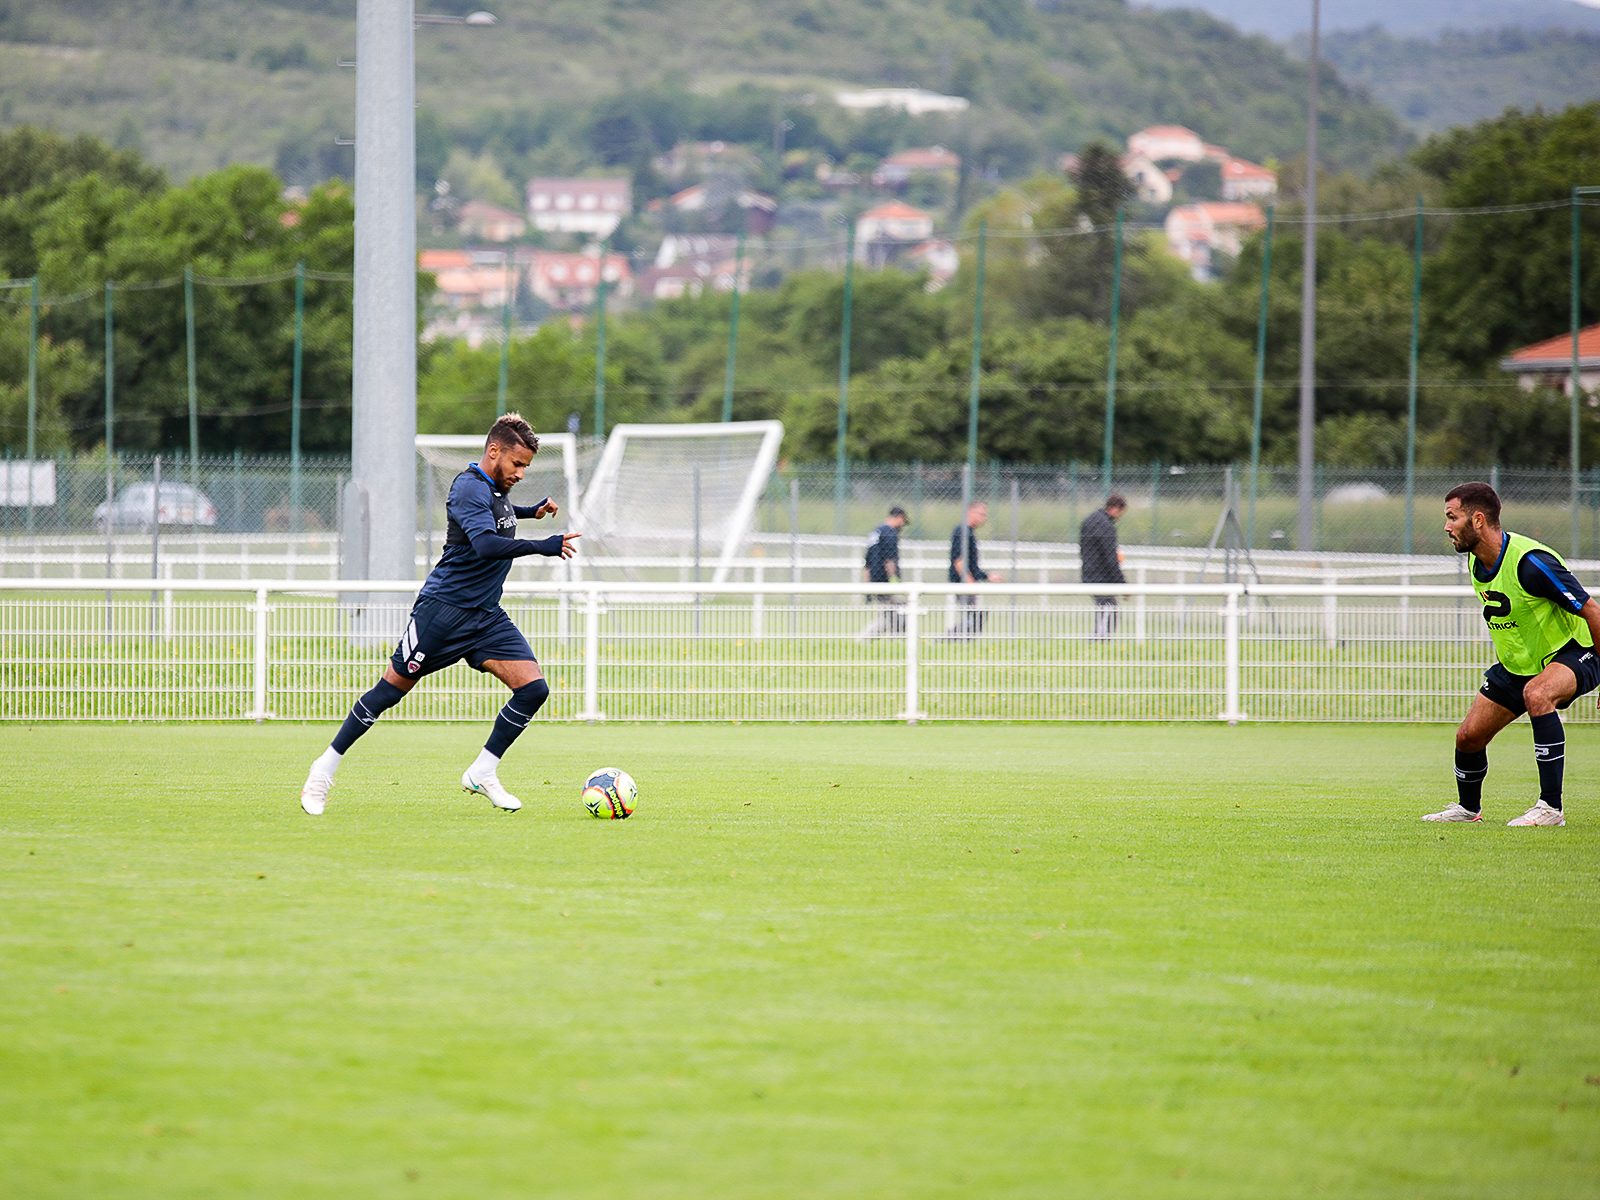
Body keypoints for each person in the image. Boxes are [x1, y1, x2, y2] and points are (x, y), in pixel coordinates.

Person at [299, 413, 581, 816]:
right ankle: (322, 771)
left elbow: (497, 516)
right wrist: (545, 544)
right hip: (442, 613)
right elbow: (485, 544)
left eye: (526, 467)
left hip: (485, 617)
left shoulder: (494, 487)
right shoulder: (468, 486)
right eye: (517, 464)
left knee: (534, 689)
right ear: (494, 451)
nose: (520, 473)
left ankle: (483, 771)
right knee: (388, 693)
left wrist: (529, 512)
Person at [1424, 481, 1600, 826]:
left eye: (1452, 517)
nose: (1446, 527)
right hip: (1518, 664)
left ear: (1477, 520)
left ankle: (1550, 809)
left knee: (1538, 694)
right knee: (1468, 736)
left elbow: (1592, 611)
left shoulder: (1531, 562)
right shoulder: (1478, 563)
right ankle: (1467, 809)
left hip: (1573, 652)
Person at [944, 500, 1002, 641]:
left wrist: (987, 576)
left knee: (974, 617)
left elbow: (971, 565)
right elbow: (959, 561)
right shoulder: (962, 531)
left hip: (967, 581)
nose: (984, 518)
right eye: (981, 514)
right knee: (974, 618)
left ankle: (954, 641)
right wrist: (970, 583)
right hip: (963, 582)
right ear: (970, 512)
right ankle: (946, 640)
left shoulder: (968, 532)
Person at [857, 506, 909, 642]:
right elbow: (889, 560)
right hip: (885, 581)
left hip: (875, 580)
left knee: (890, 613)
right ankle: (864, 640)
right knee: (891, 615)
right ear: (899, 518)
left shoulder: (876, 533)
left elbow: (867, 563)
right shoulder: (890, 533)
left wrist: (867, 585)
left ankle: (897, 640)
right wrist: (894, 580)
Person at [1079, 494, 1128, 640]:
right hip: (1101, 577)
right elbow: (1110, 559)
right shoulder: (1106, 526)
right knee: (1109, 609)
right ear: (1115, 508)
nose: (1119, 517)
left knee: (1106, 608)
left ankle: (1099, 639)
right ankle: (1098, 642)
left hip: (1089, 573)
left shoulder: (1090, 520)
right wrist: (1123, 585)